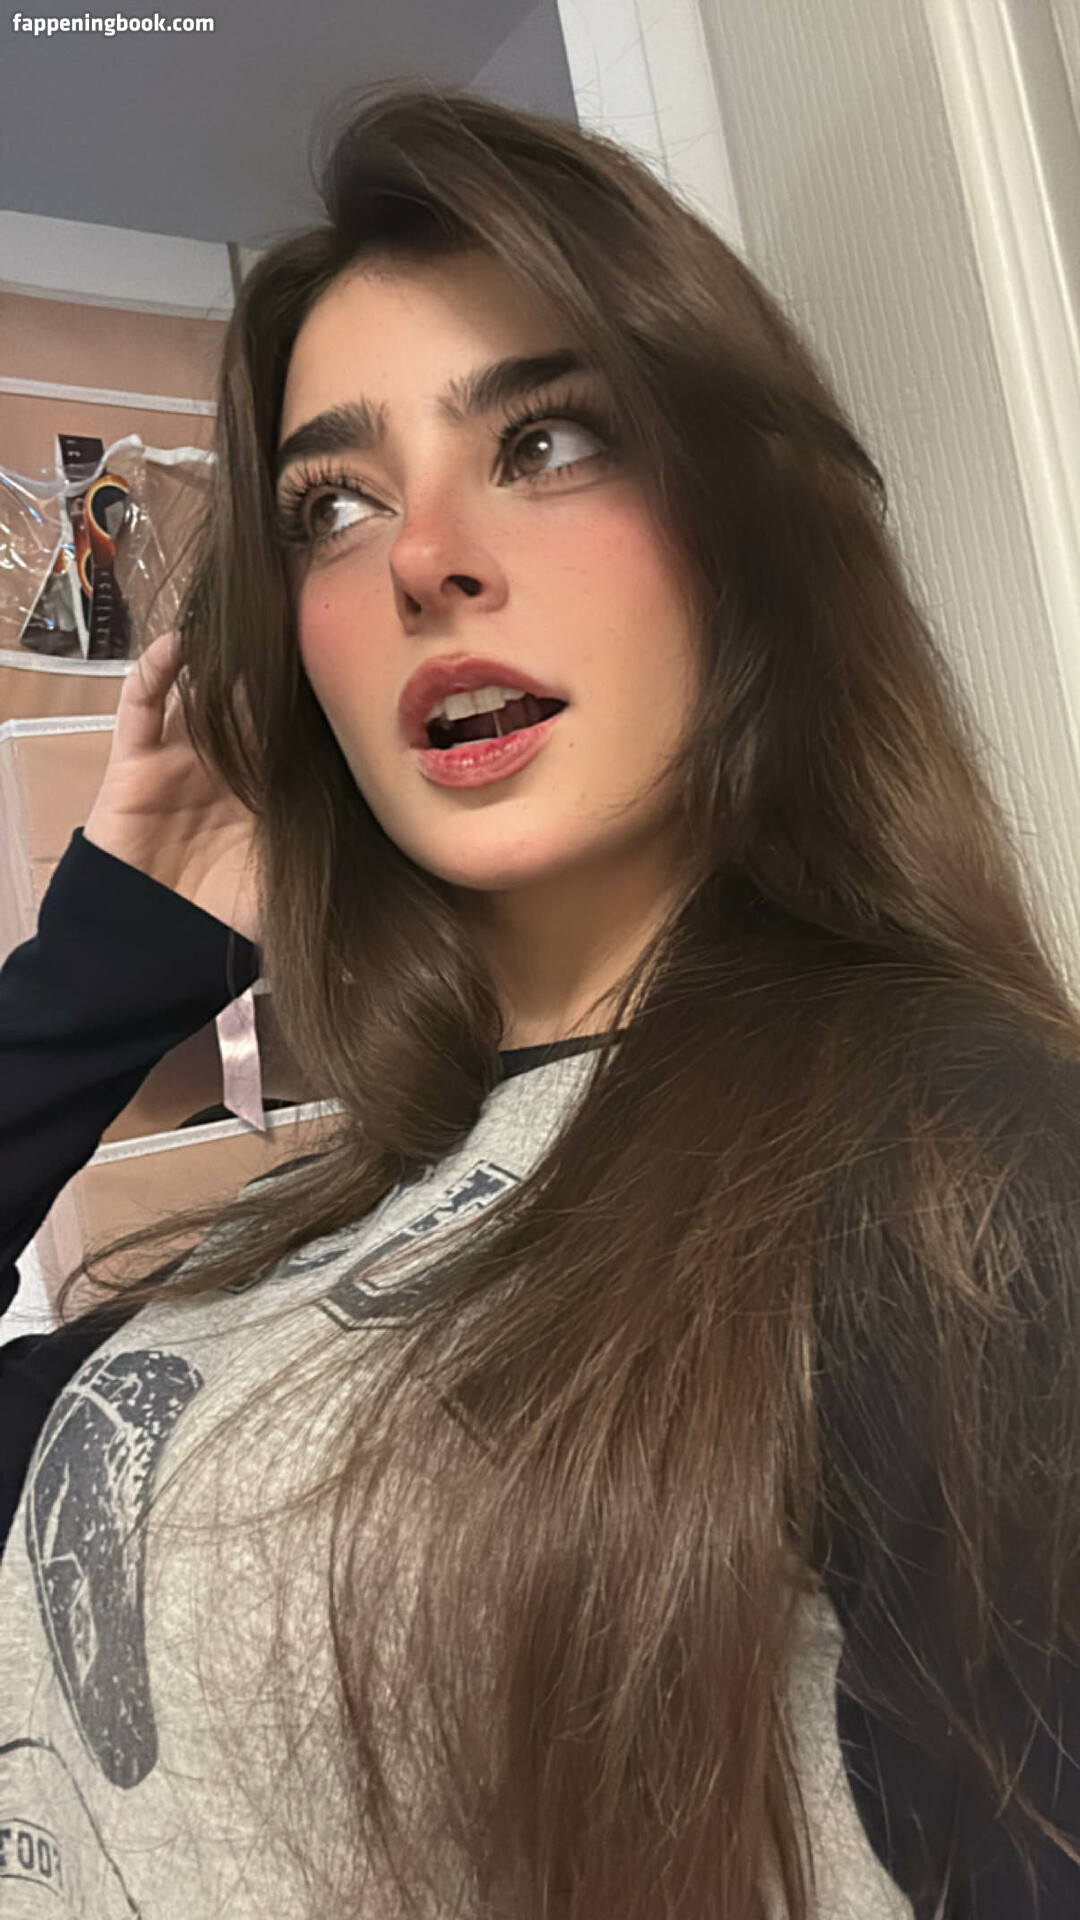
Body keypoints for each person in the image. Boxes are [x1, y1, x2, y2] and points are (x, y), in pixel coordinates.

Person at [2, 80, 1080, 1920]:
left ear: (745, 533)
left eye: (549, 440)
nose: (424, 557)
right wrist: (114, 952)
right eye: (334, 504)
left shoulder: (956, 1165)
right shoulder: (318, 1217)